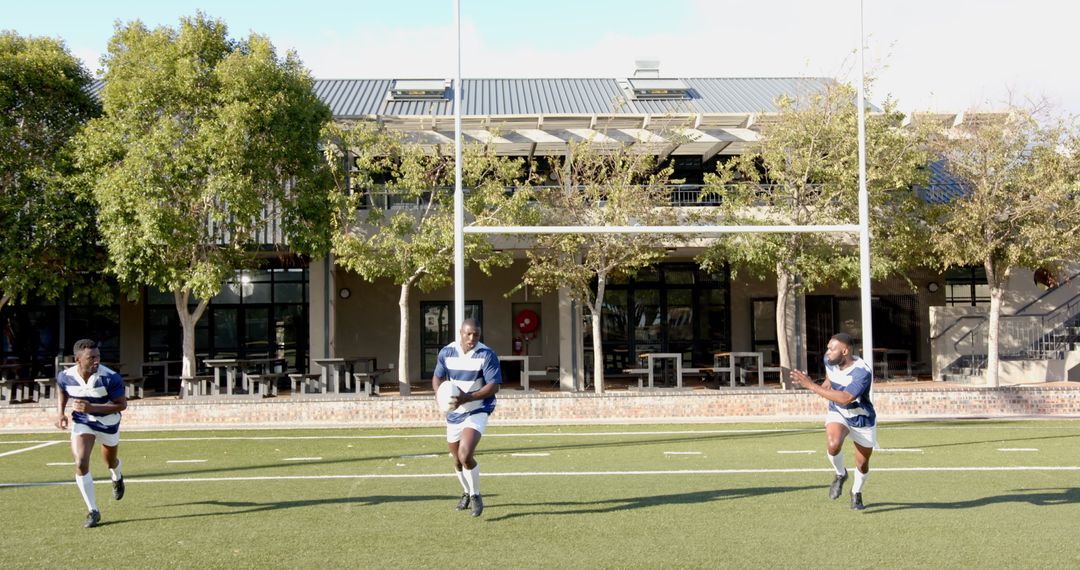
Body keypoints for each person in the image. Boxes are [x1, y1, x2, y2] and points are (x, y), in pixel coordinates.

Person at [790, 332, 876, 511]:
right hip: (838, 413)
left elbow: (845, 398)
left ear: (844, 351)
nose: (827, 352)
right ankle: (840, 474)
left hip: (862, 419)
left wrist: (811, 385)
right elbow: (830, 378)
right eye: (828, 348)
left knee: (862, 463)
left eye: (832, 349)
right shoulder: (829, 360)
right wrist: (824, 386)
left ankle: (856, 492)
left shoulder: (862, 372)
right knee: (833, 443)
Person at [432, 319, 502, 517]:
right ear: (460, 332)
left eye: (476, 335)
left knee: (465, 455)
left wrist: (467, 398)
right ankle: (465, 492)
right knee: (456, 461)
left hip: (477, 409)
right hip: (454, 413)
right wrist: (440, 395)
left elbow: (493, 386)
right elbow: (437, 377)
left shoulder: (486, 354)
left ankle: (476, 495)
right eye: (468, 334)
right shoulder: (447, 352)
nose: (472, 338)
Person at [55, 339, 127, 528]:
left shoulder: (110, 377)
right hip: (83, 422)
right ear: (78, 359)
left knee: (110, 461)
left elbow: (122, 405)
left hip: (108, 424)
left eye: (98, 357)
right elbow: (61, 389)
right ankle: (92, 510)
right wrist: (60, 413)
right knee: (81, 462)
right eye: (91, 357)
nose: (96, 361)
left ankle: (117, 476)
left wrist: (91, 407)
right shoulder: (65, 376)